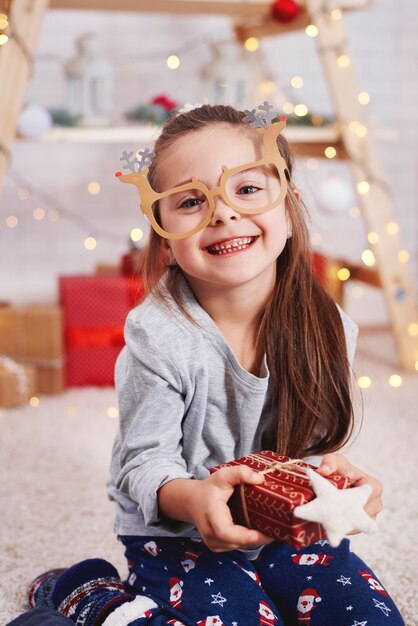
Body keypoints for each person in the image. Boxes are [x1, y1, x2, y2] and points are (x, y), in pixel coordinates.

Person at [25, 104, 405, 626]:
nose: (223, 213)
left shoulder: (329, 327)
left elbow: (313, 448)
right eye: (190, 201)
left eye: (247, 189)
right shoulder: (157, 335)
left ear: (290, 209)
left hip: (286, 527)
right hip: (180, 534)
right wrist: (196, 500)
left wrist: (338, 483)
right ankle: (89, 592)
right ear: (166, 238)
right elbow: (145, 463)